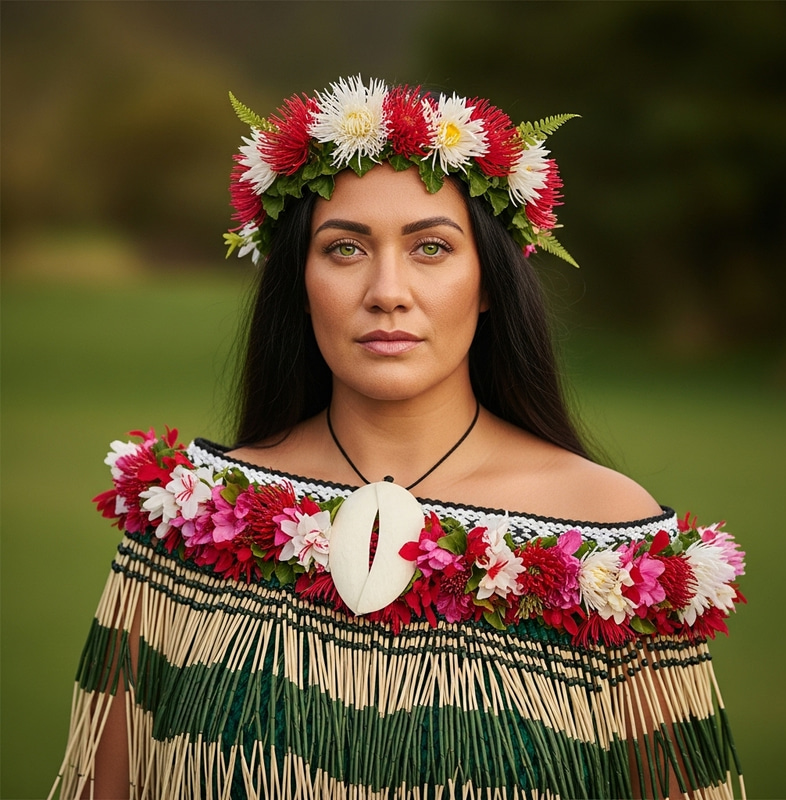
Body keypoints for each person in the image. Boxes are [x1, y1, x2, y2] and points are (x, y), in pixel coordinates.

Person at [51, 76, 746, 800]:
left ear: (488, 283)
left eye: (432, 249)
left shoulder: (614, 547)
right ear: (299, 280)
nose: (387, 290)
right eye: (345, 249)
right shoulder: (185, 521)